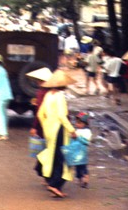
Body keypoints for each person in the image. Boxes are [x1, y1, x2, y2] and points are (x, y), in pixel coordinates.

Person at [35, 70, 77, 198]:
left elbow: (40, 114)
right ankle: (55, 184)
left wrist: (46, 125)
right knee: (62, 159)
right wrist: (71, 130)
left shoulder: (48, 95)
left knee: (53, 156)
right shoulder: (60, 96)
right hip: (59, 130)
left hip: (49, 131)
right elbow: (62, 116)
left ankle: (53, 183)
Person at [72, 112, 92, 188]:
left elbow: (86, 141)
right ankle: (79, 178)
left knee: (83, 166)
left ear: (85, 124)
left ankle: (85, 178)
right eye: (76, 123)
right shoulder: (77, 131)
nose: (77, 124)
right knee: (78, 165)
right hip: (76, 151)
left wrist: (77, 137)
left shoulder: (87, 132)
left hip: (82, 152)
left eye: (79, 123)